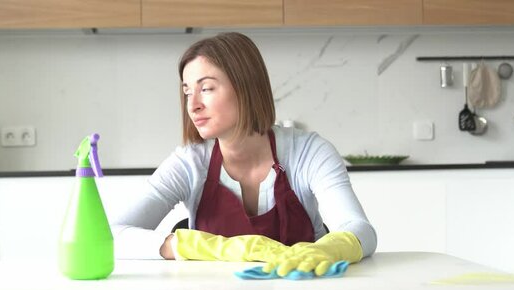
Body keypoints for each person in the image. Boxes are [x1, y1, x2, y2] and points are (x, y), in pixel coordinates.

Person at [111, 32, 376, 275]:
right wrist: (196, 246)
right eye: (187, 91)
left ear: (246, 87)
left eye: (206, 89)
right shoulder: (189, 163)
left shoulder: (308, 153)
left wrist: (325, 250)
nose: (193, 106)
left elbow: (359, 228)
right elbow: (107, 236)